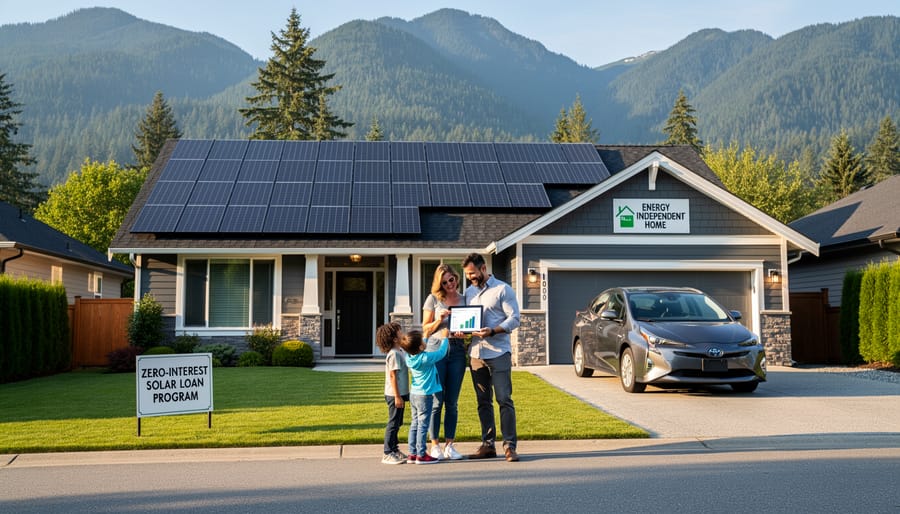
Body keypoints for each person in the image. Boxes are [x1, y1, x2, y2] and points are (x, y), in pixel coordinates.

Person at [460, 252, 521, 462]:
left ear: (483, 268)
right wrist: (463, 330)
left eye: (473, 273)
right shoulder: (468, 293)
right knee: (483, 401)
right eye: (468, 274)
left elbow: (515, 319)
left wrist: (493, 331)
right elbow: (467, 321)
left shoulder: (503, 289)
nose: (470, 277)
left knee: (504, 399)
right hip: (476, 353)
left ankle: (510, 446)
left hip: (499, 353)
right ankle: (488, 445)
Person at [422, 264, 467, 461]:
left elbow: (470, 326)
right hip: (436, 350)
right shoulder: (433, 299)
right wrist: (439, 320)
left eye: (452, 279)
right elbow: (425, 330)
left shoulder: (465, 299)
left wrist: (463, 332)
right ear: (439, 283)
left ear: (456, 278)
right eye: (445, 281)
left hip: (457, 350)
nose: (450, 284)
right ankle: (435, 446)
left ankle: (450, 445)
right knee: (436, 401)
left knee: (452, 402)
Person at [401, 328, 449, 465]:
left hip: (414, 394)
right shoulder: (426, 358)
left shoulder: (409, 358)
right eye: (422, 341)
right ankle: (421, 454)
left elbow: (418, 347)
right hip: (425, 396)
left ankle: (412, 453)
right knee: (423, 425)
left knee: (415, 423)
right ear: (421, 346)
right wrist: (445, 338)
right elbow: (441, 353)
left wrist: (426, 337)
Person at [376, 322, 409, 465]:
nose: (403, 334)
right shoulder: (394, 354)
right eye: (400, 332)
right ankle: (387, 452)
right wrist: (397, 396)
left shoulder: (400, 351)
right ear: (395, 338)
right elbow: (393, 376)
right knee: (393, 423)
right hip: (395, 394)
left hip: (400, 393)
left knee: (398, 422)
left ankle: (395, 449)